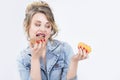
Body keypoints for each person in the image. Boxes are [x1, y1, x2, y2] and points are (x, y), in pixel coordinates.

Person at [17, 1, 88, 80]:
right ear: (28, 26)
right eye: (37, 24)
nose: (43, 29)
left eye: (47, 26)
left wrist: (74, 61)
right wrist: (35, 59)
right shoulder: (23, 59)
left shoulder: (64, 49)